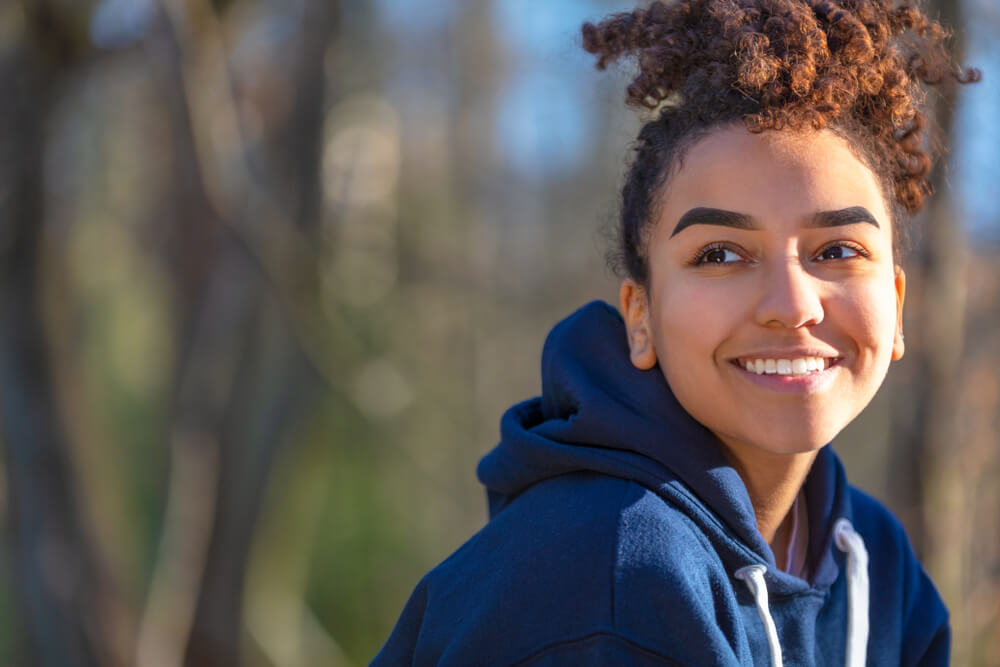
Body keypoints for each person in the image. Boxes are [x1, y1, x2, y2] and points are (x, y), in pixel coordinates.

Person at [372, 0, 979, 665]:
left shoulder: (877, 562)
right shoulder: (615, 576)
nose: (791, 304)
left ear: (895, 304)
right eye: (721, 254)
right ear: (641, 318)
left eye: (837, 250)